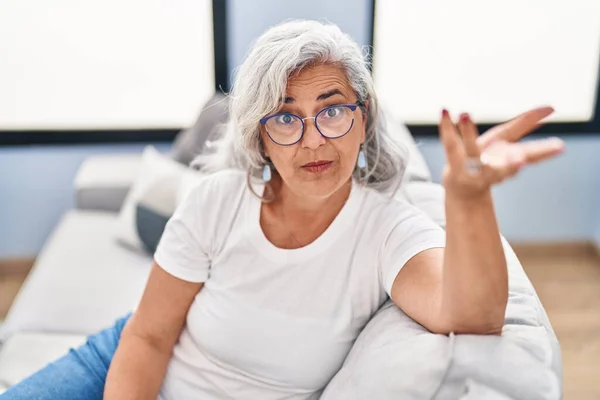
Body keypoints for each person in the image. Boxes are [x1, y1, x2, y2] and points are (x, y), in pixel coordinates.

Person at [2, 20, 564, 400]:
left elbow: (472, 314)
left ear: (364, 119)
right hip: (125, 356)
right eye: (285, 118)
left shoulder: (389, 228)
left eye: (333, 110)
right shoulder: (218, 200)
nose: (314, 140)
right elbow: (147, 337)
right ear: (260, 138)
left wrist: (468, 202)